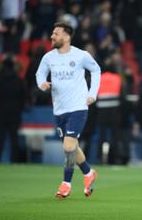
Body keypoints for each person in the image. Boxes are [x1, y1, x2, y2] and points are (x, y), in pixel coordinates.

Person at [36, 21, 101, 199]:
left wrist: (92, 94)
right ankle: (88, 174)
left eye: (55, 34)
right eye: (52, 33)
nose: (52, 36)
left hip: (78, 107)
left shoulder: (81, 55)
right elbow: (39, 74)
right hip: (59, 109)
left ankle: (66, 184)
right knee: (73, 147)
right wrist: (41, 83)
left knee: (68, 146)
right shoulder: (48, 57)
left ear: (66, 36)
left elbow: (96, 70)